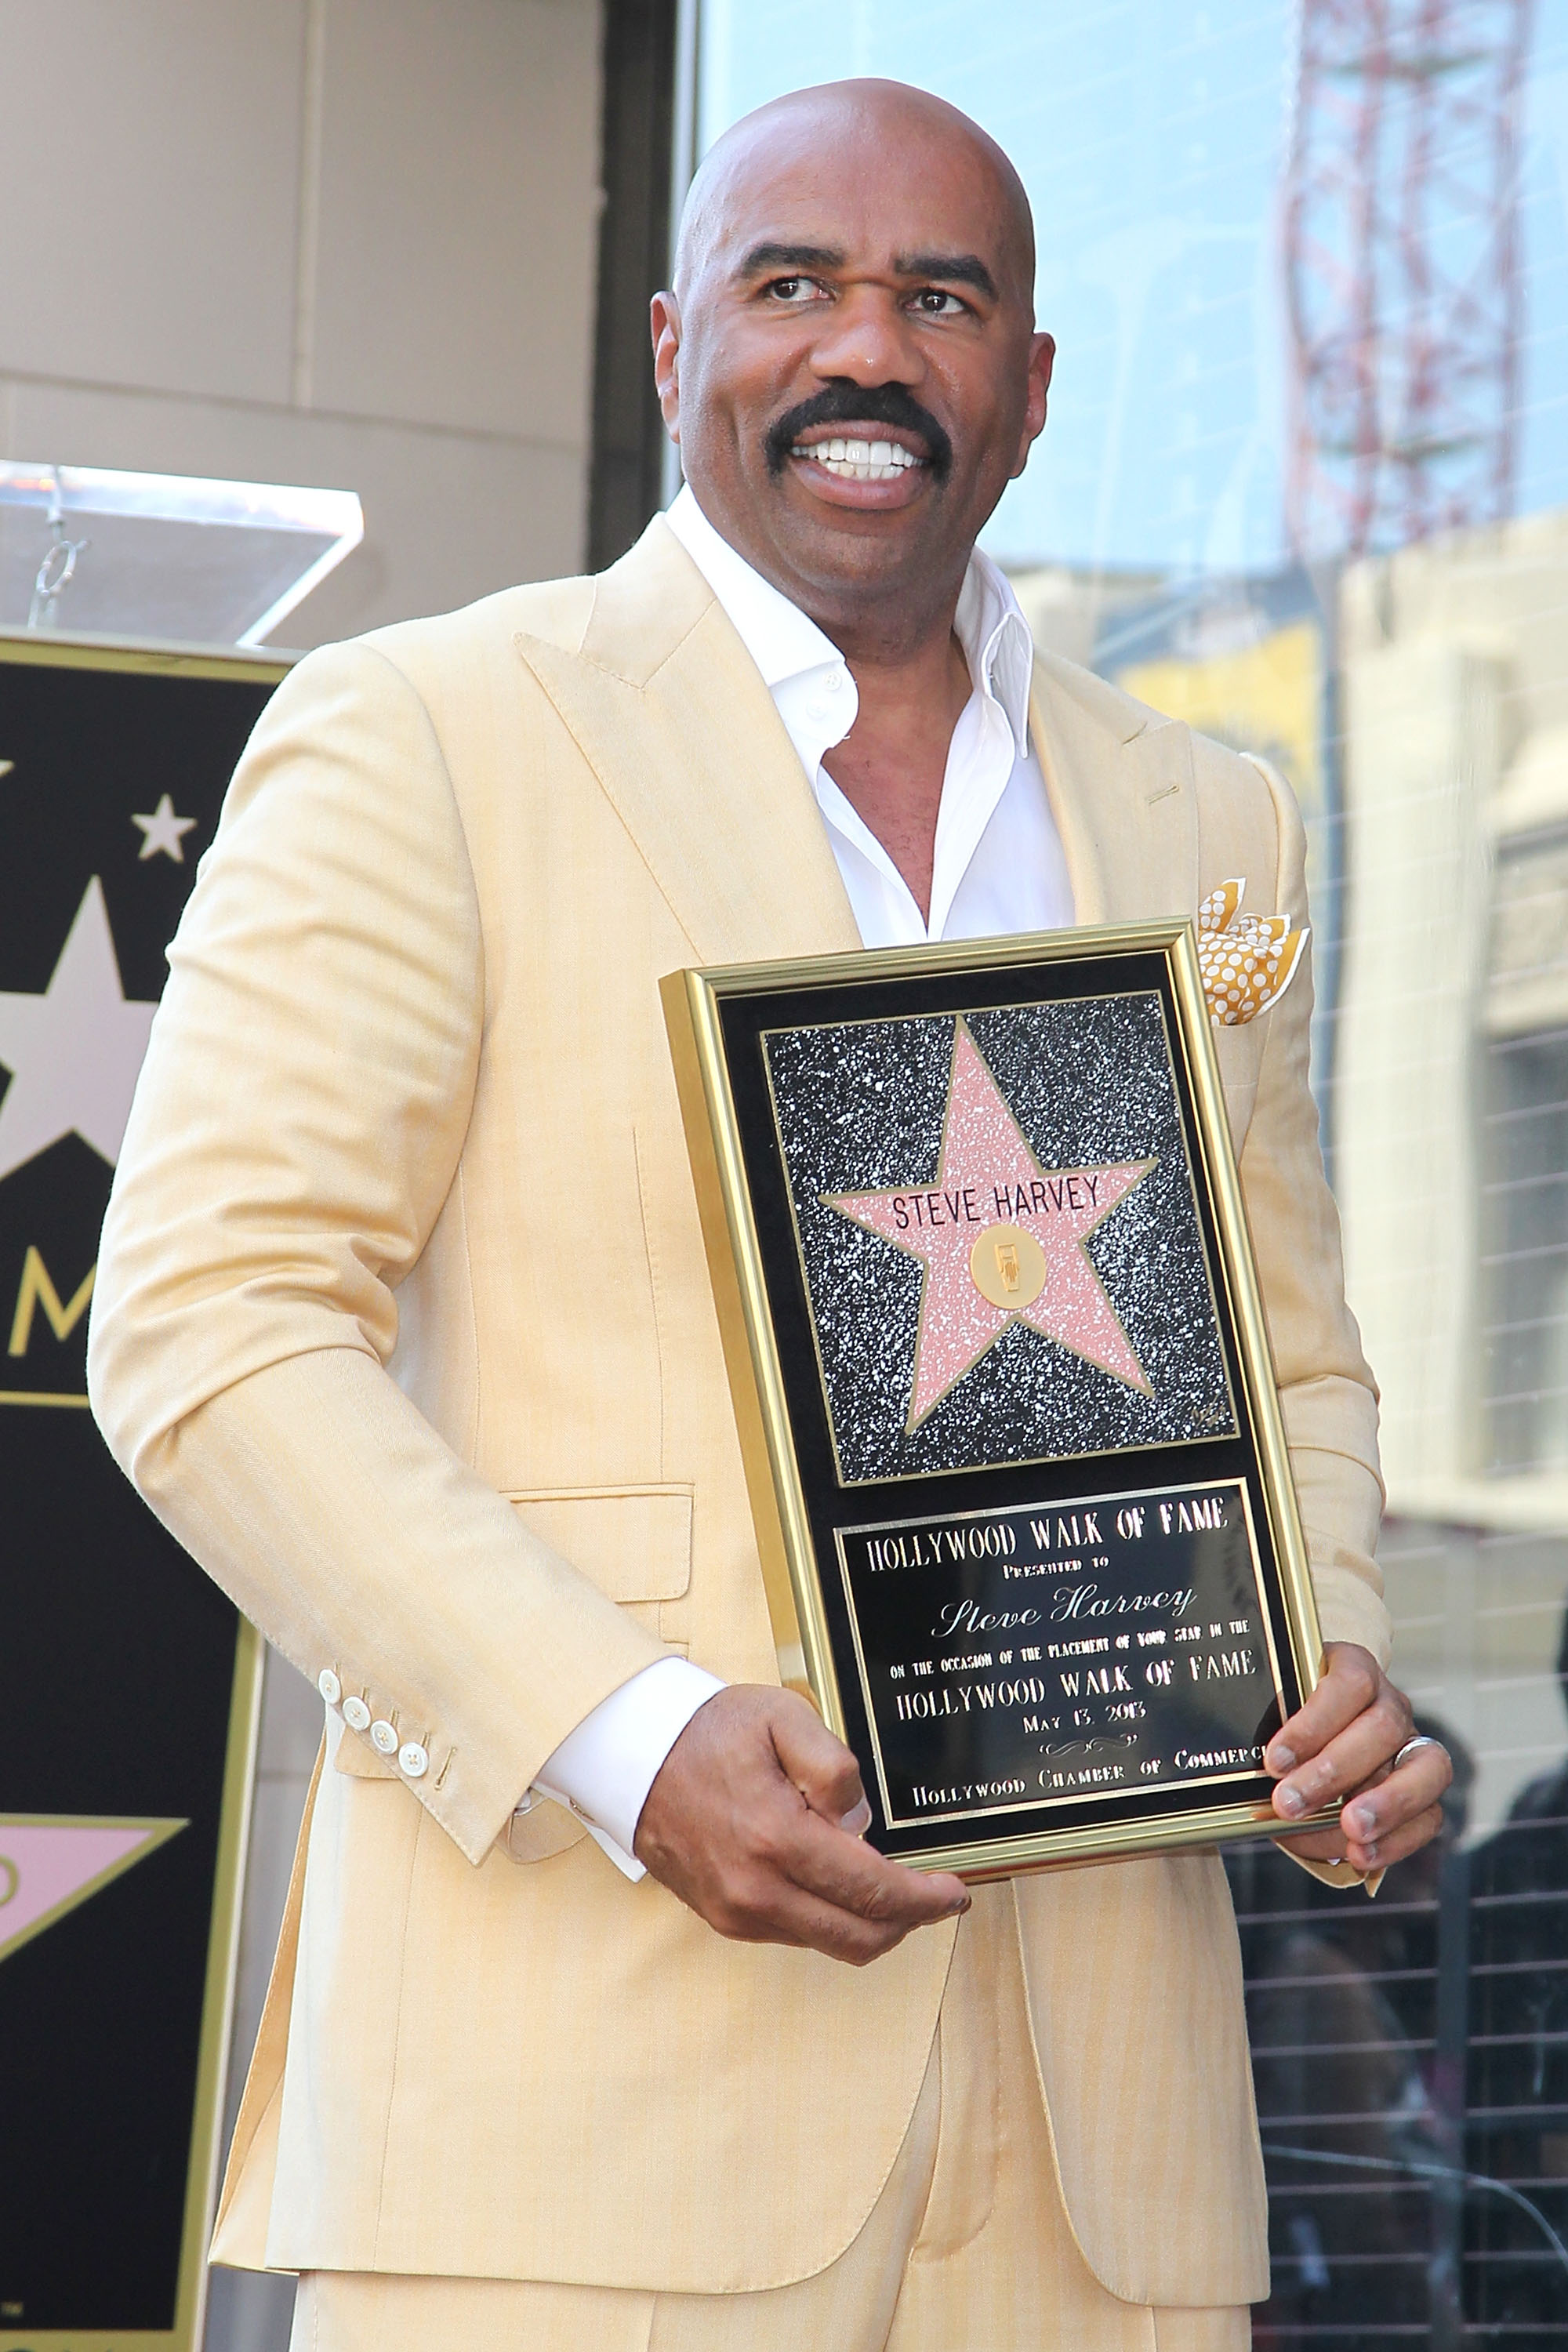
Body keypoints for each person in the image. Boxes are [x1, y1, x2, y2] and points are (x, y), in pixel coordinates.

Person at [88, 77, 1453, 2352]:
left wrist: (1313, 1689)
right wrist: (618, 1740)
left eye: (943, 297)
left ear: (1030, 385)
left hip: (1104, 2195)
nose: (868, 350)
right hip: (577, 2138)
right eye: (793, 284)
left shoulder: (1214, 815)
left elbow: (1288, 1356)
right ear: (666, 346)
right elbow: (216, 1328)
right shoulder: (426, 732)